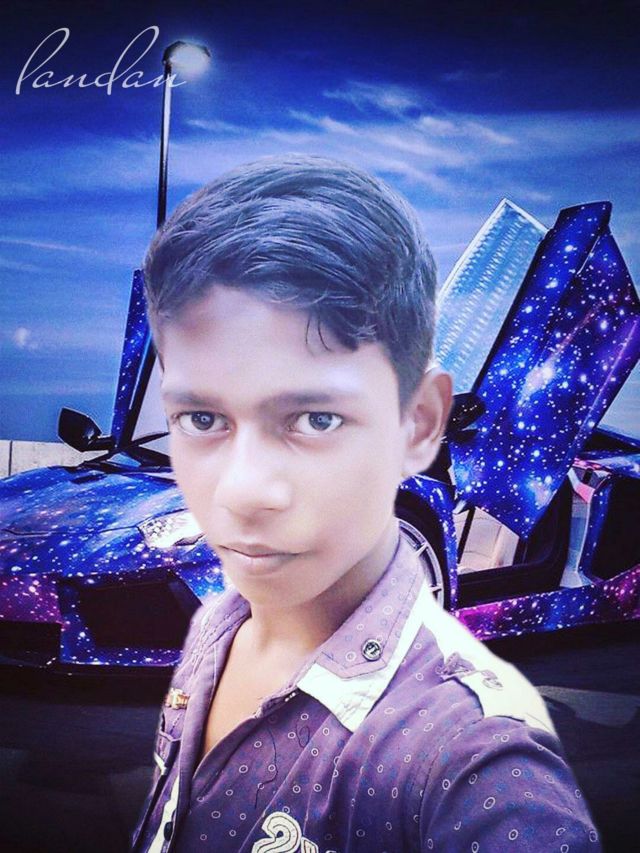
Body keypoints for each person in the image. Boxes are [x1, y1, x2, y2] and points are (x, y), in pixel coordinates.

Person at [131, 154, 600, 852]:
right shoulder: (216, 629)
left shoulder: (474, 764)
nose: (242, 490)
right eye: (202, 417)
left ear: (420, 423)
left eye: (315, 418)